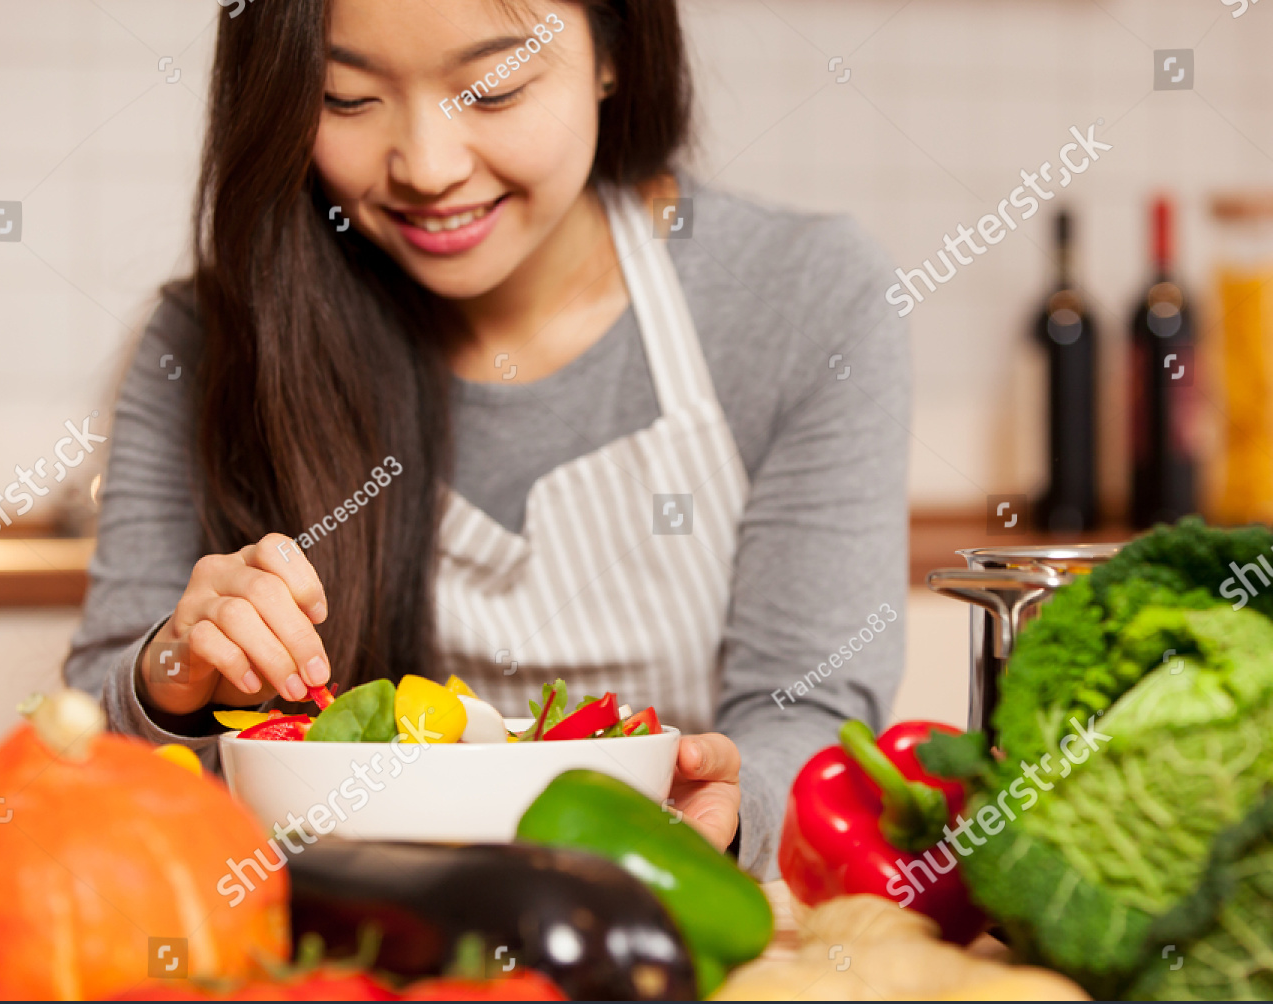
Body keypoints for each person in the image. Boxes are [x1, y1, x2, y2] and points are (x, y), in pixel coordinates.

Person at [64, 0, 908, 881]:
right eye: (347, 98)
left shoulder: (806, 296)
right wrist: (176, 669)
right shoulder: (210, 337)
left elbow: (807, 707)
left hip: (672, 927)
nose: (428, 167)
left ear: (612, 52)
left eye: (494, 88)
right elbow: (87, 732)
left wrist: (730, 819)